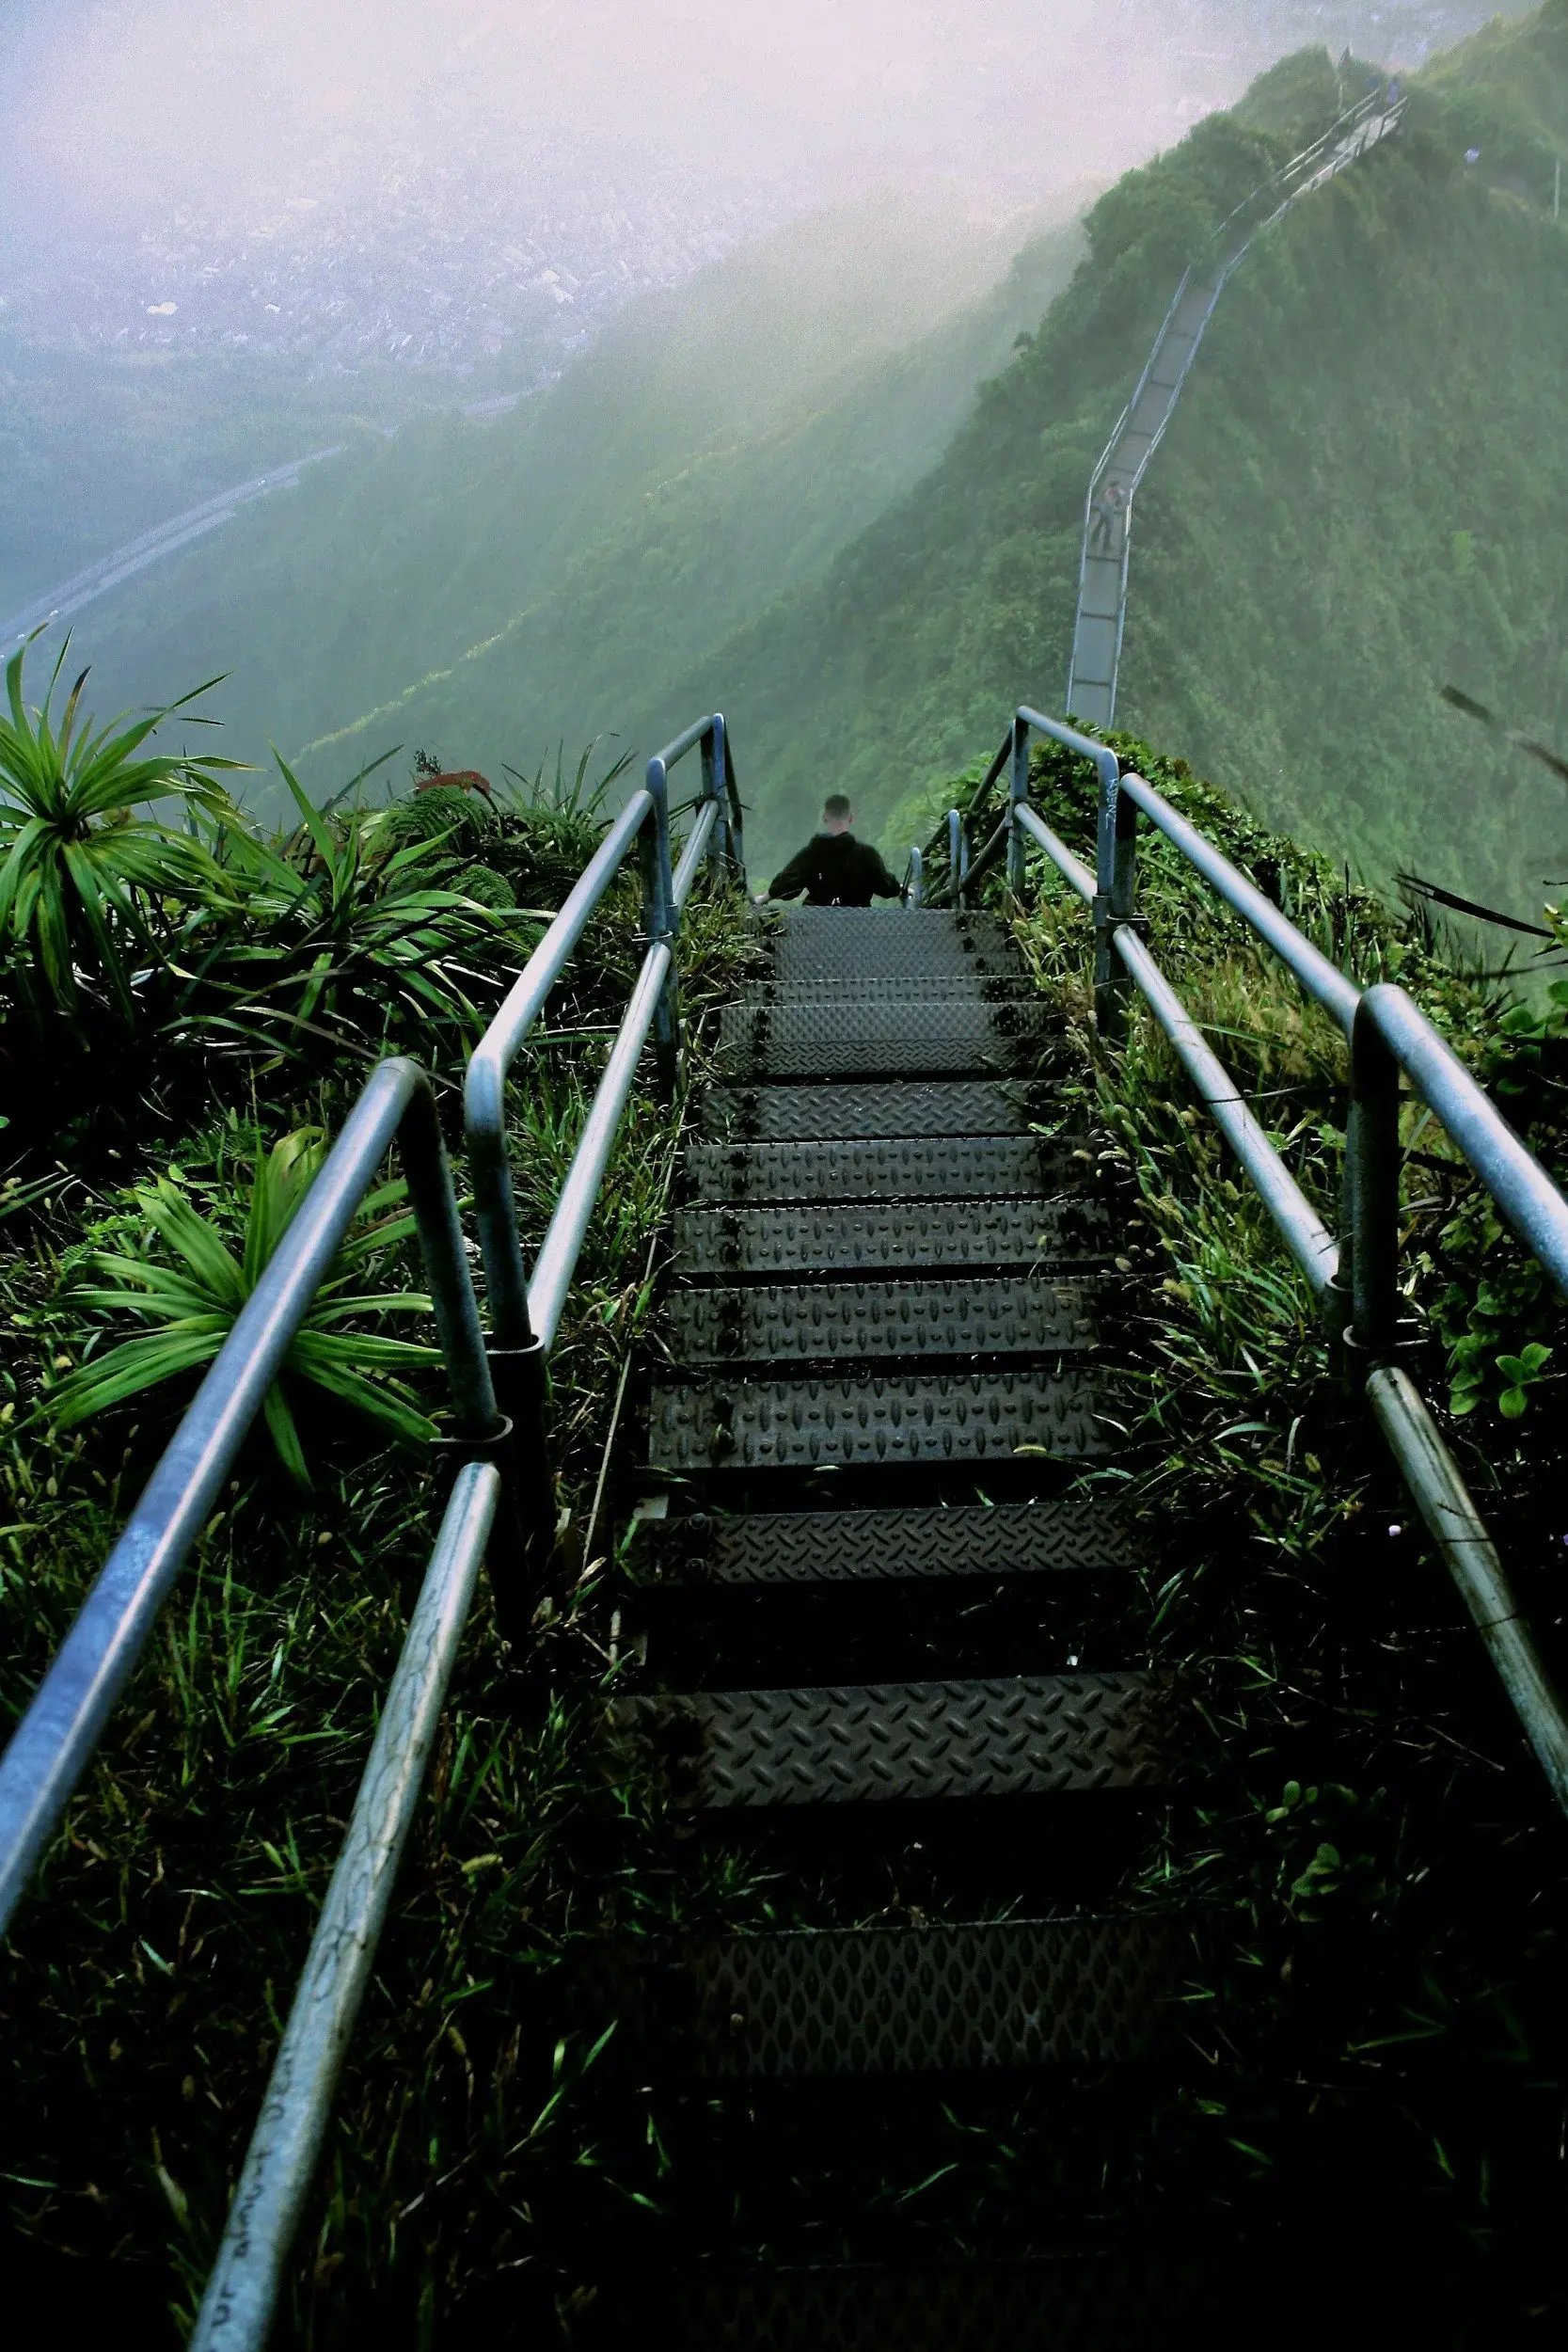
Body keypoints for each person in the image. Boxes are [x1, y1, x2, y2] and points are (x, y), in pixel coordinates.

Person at [765, 794, 903, 907]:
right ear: (851, 818)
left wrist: (764, 898)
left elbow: (787, 883)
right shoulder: (866, 854)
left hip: (817, 929)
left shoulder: (813, 853)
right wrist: (901, 889)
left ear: (825, 818)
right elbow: (886, 887)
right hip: (858, 930)